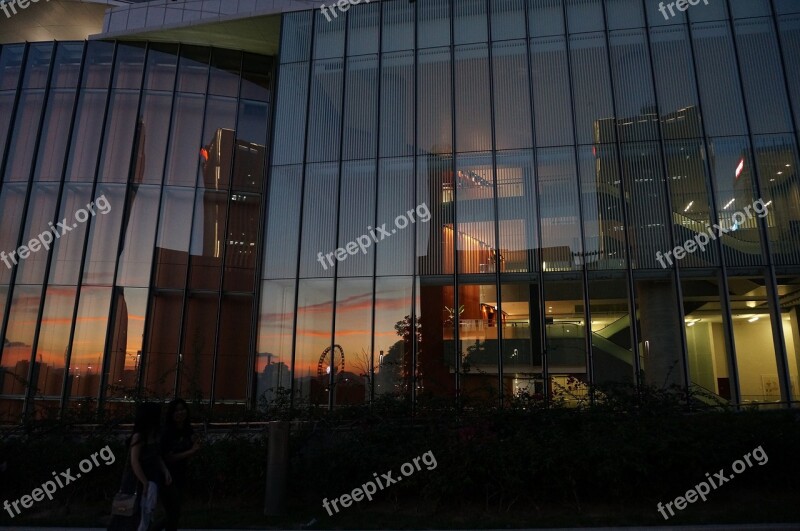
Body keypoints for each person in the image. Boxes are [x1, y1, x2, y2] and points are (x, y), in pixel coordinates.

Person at [109, 402, 172, 531]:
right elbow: (134, 461)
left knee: (145, 512)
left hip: (150, 478)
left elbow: (156, 456)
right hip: (136, 481)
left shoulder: (153, 435)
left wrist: (165, 471)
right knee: (133, 511)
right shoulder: (139, 437)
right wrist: (144, 482)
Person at [158, 399, 200, 531]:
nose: (180, 412)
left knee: (174, 512)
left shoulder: (187, 429)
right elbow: (167, 457)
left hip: (181, 473)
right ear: (171, 413)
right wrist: (190, 452)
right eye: (176, 410)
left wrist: (195, 445)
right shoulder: (167, 432)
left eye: (182, 409)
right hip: (167, 475)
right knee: (173, 511)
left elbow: (194, 443)